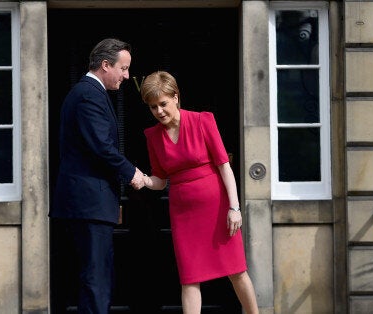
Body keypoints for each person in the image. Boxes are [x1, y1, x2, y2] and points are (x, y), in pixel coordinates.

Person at [139, 71, 259, 314]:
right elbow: (161, 181)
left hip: (218, 209)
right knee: (190, 277)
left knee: (236, 270)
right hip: (183, 215)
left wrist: (235, 208)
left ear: (175, 97)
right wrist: (141, 180)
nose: (159, 111)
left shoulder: (203, 121)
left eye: (163, 104)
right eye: (153, 107)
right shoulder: (152, 137)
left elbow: (224, 166)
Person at [50, 38, 145, 314]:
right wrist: (132, 173)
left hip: (88, 204)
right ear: (105, 65)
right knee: (96, 280)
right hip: (88, 205)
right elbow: (101, 146)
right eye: (123, 68)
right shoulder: (89, 94)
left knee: (95, 277)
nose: (127, 76)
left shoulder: (89, 92)